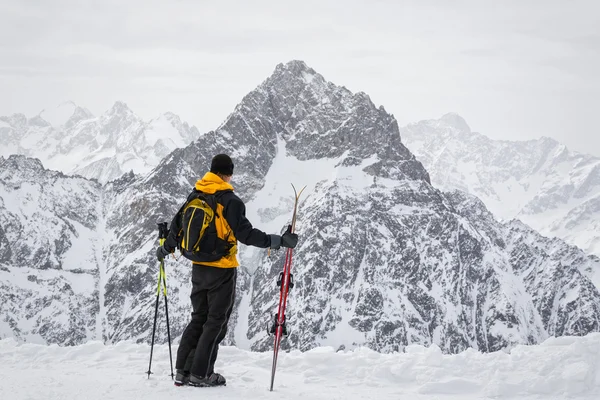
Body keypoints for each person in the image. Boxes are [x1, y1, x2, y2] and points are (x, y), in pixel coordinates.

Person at [156, 154, 298, 387]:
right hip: (221, 270)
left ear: (212, 171)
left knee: (198, 318)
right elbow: (246, 234)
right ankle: (201, 374)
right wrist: (278, 241)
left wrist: (165, 249)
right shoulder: (230, 200)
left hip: (198, 267)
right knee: (215, 322)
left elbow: (176, 226)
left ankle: (183, 371)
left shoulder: (196, 193)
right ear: (229, 173)